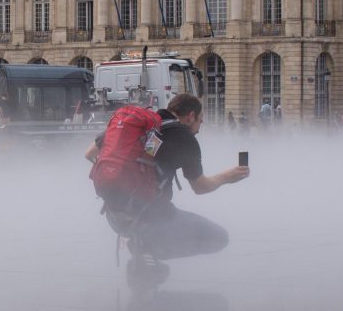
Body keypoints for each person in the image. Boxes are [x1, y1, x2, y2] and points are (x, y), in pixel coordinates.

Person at [89, 93, 248, 286]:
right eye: (200, 121)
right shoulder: (183, 136)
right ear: (190, 116)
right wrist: (228, 177)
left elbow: (90, 154)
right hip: (152, 218)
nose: (198, 129)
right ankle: (147, 251)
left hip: (115, 215)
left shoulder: (140, 125)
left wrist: (120, 177)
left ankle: (143, 252)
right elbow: (200, 187)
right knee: (219, 238)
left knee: (150, 232)